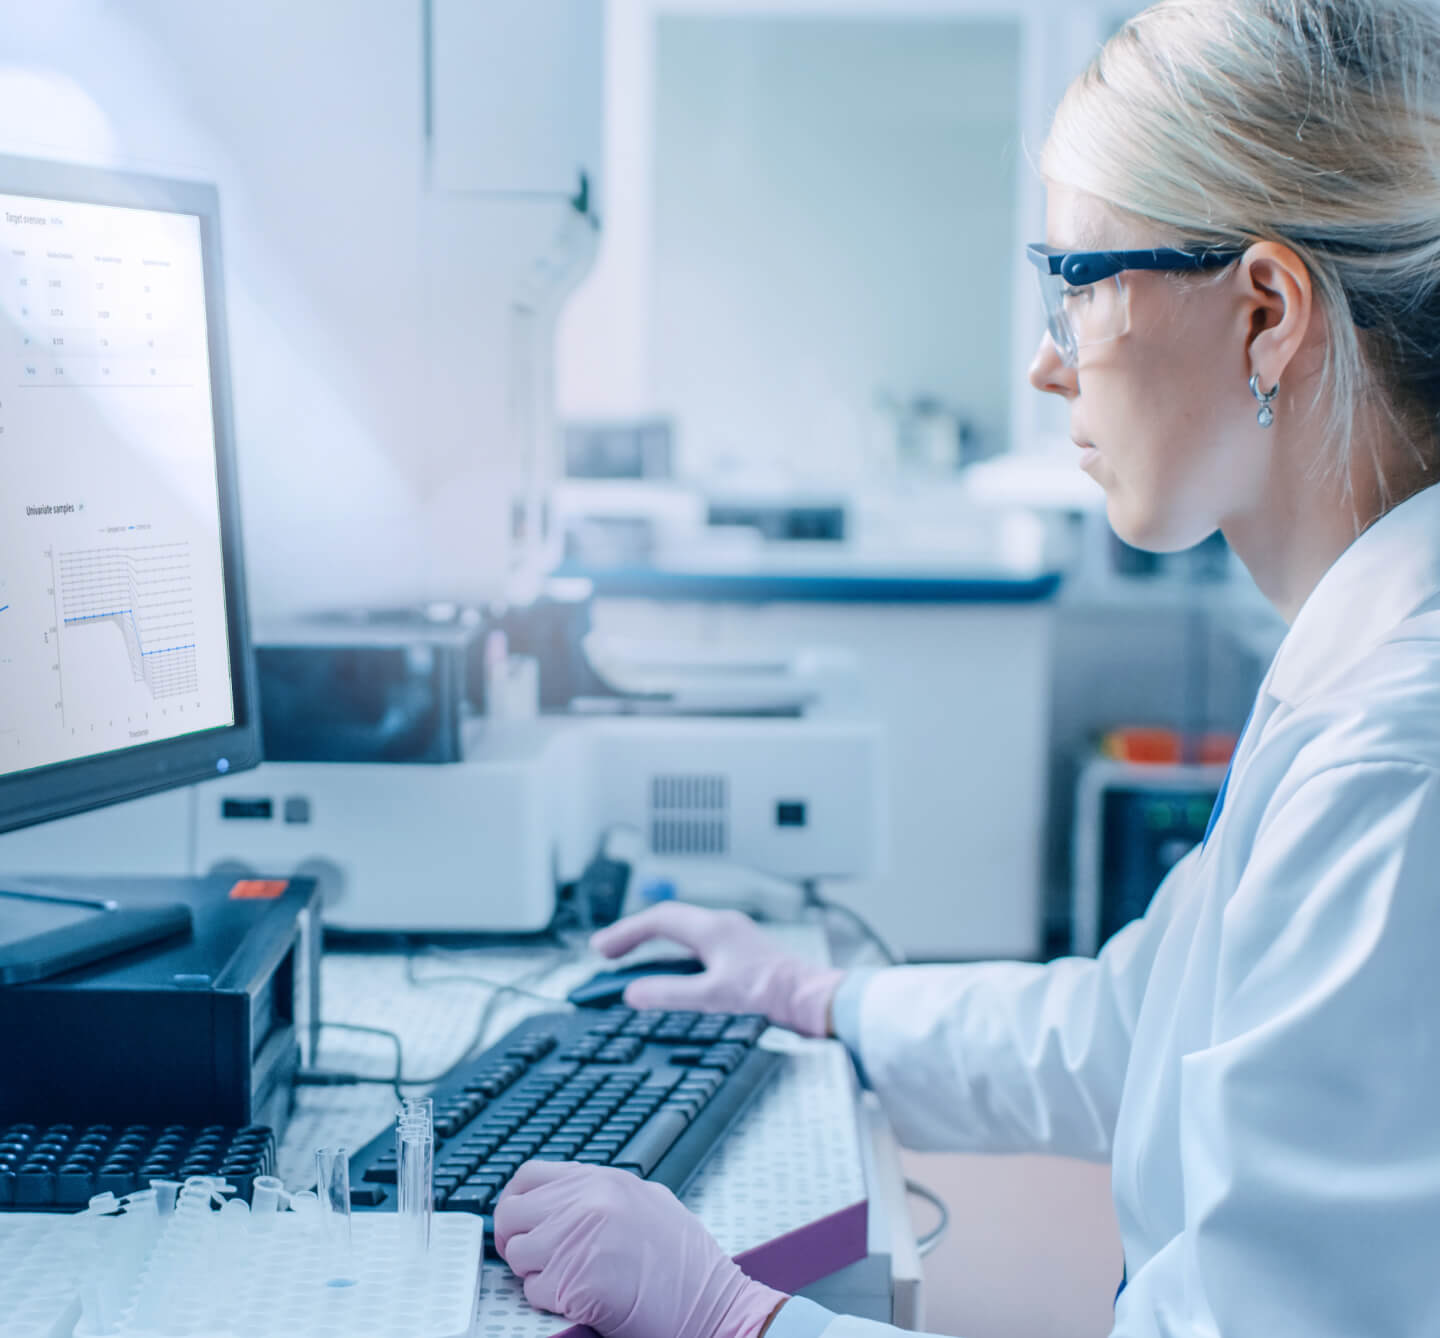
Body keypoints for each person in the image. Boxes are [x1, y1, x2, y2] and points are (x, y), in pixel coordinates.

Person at [491, 1, 1440, 1333]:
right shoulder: (1363, 670)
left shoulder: (1397, 765)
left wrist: (732, 1315)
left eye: (1080, 284)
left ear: (1266, 311)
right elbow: (1132, 1029)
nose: (1050, 364)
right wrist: (815, 994)